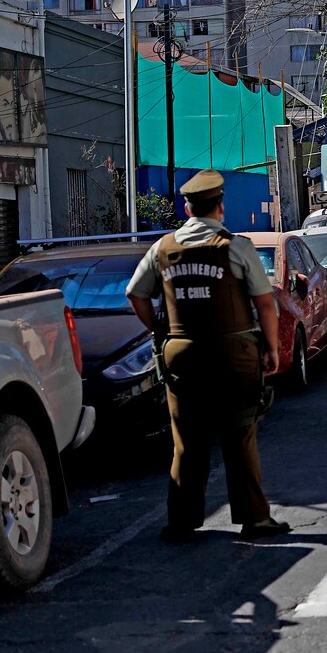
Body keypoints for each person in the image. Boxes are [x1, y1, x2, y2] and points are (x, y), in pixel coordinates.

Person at [125, 170, 290, 543]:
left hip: (182, 355)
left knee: (187, 439)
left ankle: (182, 522)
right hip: (234, 355)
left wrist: (160, 332)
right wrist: (271, 348)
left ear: (186, 208)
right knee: (240, 434)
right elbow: (265, 303)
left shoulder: (163, 249)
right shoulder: (236, 247)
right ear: (220, 206)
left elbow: (136, 295)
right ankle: (253, 518)